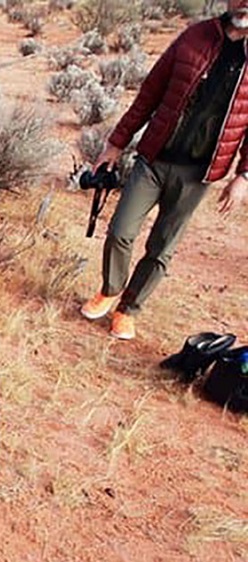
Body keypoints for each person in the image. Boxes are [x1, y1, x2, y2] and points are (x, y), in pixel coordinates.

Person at [81, 0, 248, 342]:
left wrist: (243, 177)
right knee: (120, 230)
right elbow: (150, 94)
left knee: (161, 248)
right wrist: (116, 143)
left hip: (198, 174)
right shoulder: (194, 37)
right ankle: (111, 288)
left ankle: (128, 310)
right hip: (154, 158)